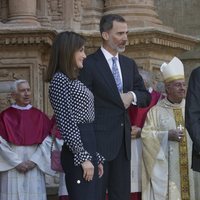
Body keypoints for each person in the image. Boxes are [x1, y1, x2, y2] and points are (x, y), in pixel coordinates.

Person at [79, 14, 151, 200]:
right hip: (98, 142)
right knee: (95, 195)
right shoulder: (89, 64)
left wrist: (131, 96)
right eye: (120, 33)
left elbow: (145, 96)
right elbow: (82, 103)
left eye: (126, 33)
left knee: (121, 195)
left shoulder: (129, 64)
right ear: (105, 35)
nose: (125, 38)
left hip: (123, 144)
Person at [46, 31, 104, 200]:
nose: (85, 55)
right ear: (68, 51)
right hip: (78, 152)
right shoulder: (59, 80)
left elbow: (87, 122)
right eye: (81, 50)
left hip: (88, 145)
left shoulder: (72, 80)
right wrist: (83, 157)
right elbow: (67, 122)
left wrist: (95, 155)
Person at [141, 57, 196, 200]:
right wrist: (166, 135)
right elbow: (146, 136)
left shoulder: (193, 109)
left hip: (193, 170)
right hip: (168, 173)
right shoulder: (156, 111)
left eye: (184, 85)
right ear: (167, 88)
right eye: (178, 85)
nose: (182, 88)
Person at [0, 79, 55, 200]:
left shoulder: (39, 116)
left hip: (34, 164)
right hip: (11, 166)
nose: (26, 93)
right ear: (14, 95)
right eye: (22, 90)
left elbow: (49, 140)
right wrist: (16, 162)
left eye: (28, 90)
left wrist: (34, 160)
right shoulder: (5, 116)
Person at [129, 69, 163, 200]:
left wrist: (141, 131)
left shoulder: (159, 99)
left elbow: (162, 125)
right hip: (128, 145)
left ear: (149, 82)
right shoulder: (128, 96)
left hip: (149, 147)